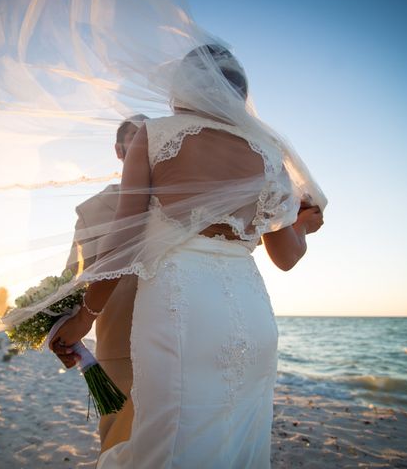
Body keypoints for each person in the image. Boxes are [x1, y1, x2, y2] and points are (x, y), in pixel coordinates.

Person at [51, 45, 324, 467]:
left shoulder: (155, 136)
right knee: (237, 443)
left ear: (182, 87)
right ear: (239, 95)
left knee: (165, 445)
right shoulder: (270, 153)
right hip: (251, 317)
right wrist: (303, 226)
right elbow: (286, 256)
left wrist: (83, 318)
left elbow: (124, 242)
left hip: (180, 311)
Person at [58, 115, 148, 454]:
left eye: (149, 139)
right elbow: (70, 280)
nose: (143, 145)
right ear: (119, 149)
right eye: (134, 138)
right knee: (117, 447)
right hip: (117, 347)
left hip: (183, 343)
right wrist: (63, 338)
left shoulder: (181, 200)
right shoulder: (92, 209)